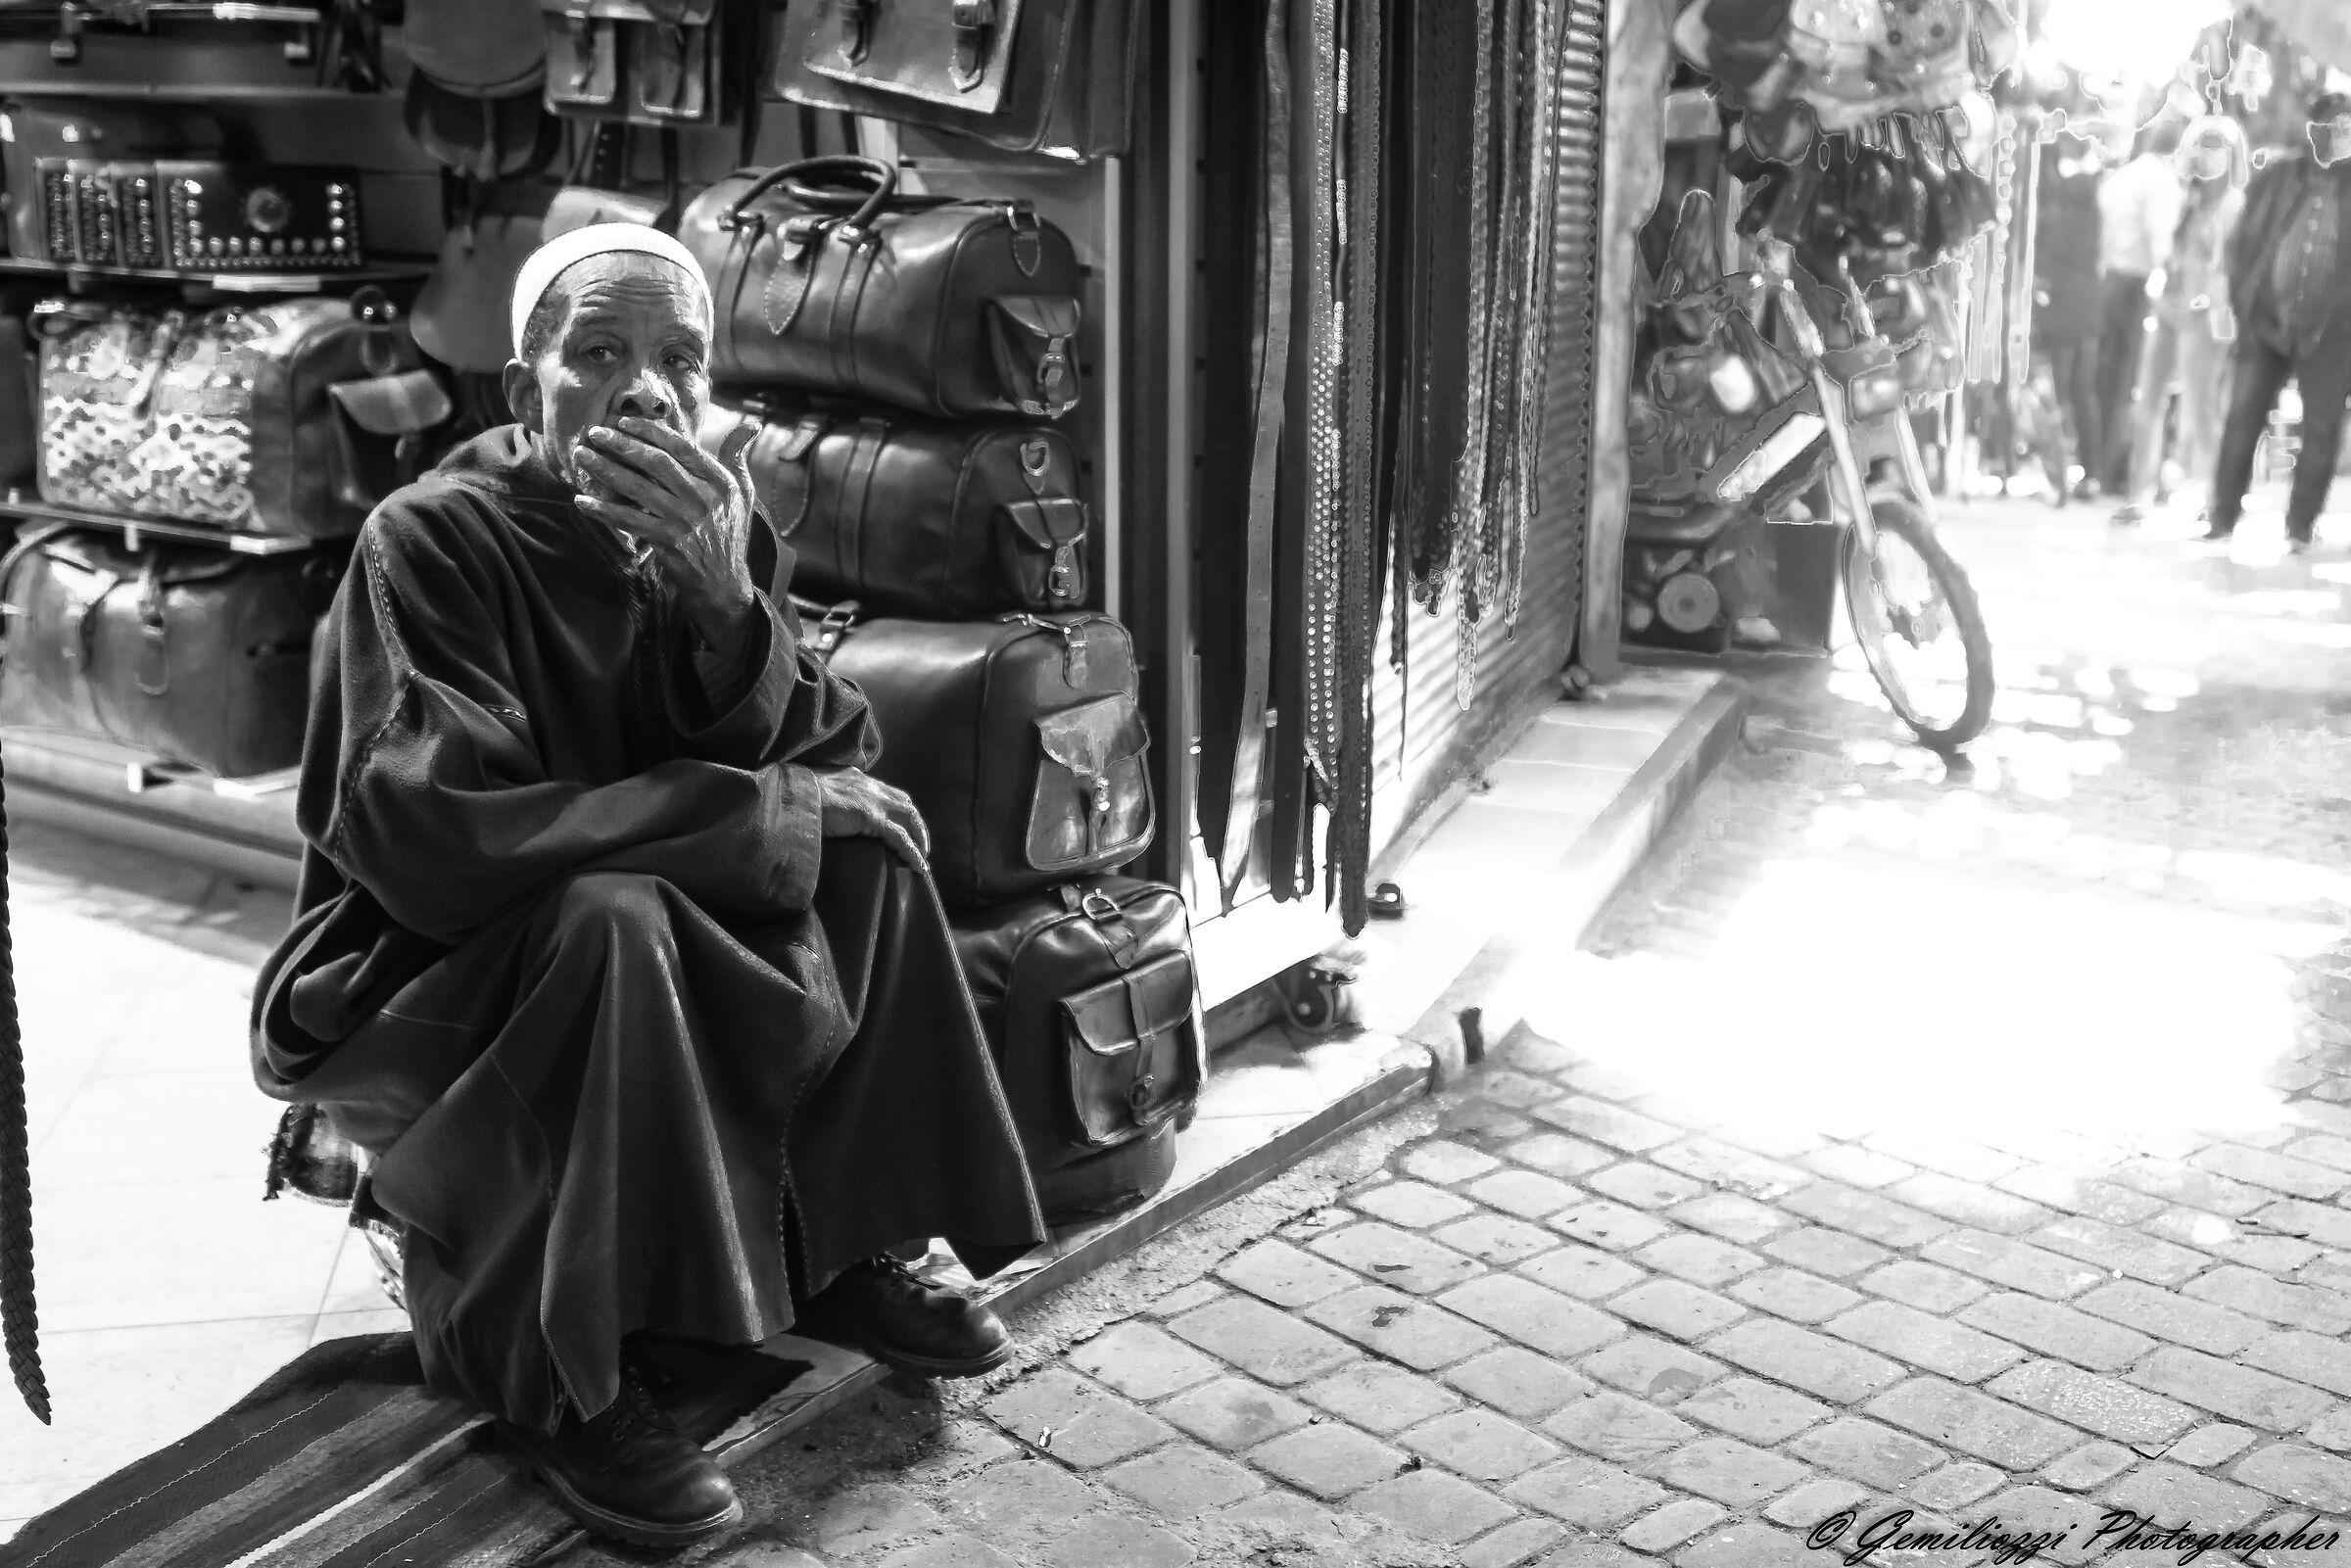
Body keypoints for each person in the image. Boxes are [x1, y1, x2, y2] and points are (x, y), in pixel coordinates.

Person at [248, 225, 1046, 1547]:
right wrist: (747, 814)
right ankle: (564, 1376)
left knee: (868, 847)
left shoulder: (711, 524)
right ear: (528, 388)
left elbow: (829, 753)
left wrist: (724, 602)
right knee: (617, 916)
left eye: (680, 358)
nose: (648, 392)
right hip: (429, 963)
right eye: (602, 354)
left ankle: (837, 1248)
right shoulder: (428, 538)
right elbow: (433, 835)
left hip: (638, 914)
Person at [2206, 92, 2351, 551]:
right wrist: (2241, 301)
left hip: (2330, 332)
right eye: (2337, 126)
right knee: (2242, 419)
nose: (2344, 136)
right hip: (2266, 321)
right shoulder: (2277, 177)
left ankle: (2300, 528)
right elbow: (2241, 241)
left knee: (2321, 430)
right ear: (2315, 130)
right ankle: (2222, 518)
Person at [2112, 117, 2246, 524]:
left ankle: (2215, 497)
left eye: (2216, 146)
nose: (2207, 154)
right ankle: (2138, 493)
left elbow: (2228, 265)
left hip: (2206, 314)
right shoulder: (2183, 195)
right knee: (2147, 401)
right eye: (2202, 145)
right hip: (2169, 305)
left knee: (2200, 410)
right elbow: (2167, 246)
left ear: (2232, 154)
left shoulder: (2234, 204)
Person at [2093, 119, 2186, 499]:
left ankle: (2105, 469)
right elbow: (2161, 239)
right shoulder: (2161, 182)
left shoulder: (2122, 176)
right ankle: (2129, 474)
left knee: (2112, 383)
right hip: (2139, 285)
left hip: (2111, 282)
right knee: (2141, 383)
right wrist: (2171, 286)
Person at [2035, 128, 2107, 501]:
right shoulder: (2095, 204)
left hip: (2061, 307)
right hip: (2087, 308)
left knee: (2057, 390)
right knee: (2083, 391)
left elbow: (2051, 255)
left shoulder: (2062, 206)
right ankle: (2091, 472)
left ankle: (2060, 470)